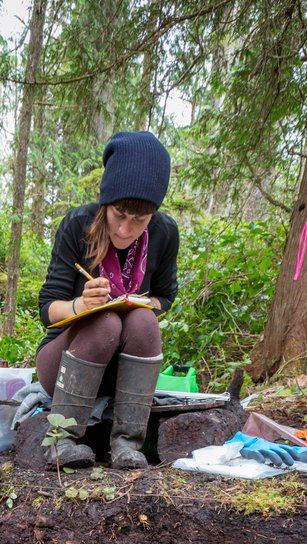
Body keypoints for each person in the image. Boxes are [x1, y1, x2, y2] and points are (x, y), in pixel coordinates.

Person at [37, 130, 179, 470]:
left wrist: (143, 303)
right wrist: (81, 306)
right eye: (119, 215)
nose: (126, 230)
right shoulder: (78, 224)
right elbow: (48, 309)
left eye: (139, 220)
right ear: (105, 202)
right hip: (65, 361)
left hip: (122, 372)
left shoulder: (164, 233)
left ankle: (126, 444)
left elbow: (165, 297)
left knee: (142, 320)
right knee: (104, 320)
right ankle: (62, 440)